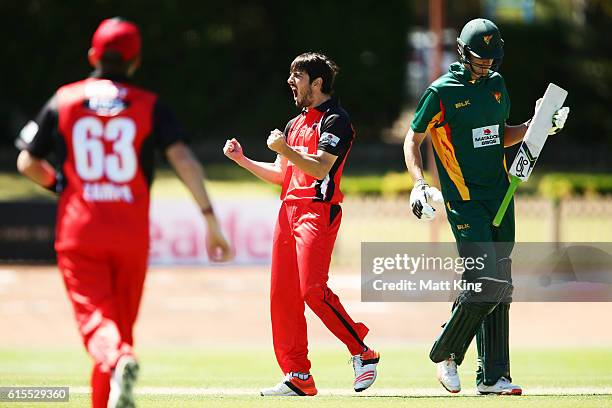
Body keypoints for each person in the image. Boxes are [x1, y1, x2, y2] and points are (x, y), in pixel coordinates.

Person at [16, 18, 232, 408]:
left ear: (92, 55)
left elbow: (26, 161)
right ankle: (117, 373)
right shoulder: (150, 105)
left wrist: (59, 186)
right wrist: (210, 219)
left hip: (80, 229)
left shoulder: (63, 99)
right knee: (119, 330)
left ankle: (120, 361)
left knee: (99, 327)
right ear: (136, 62)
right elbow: (182, 158)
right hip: (131, 233)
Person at [403, 18, 569, 395]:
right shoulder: (440, 93)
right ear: (463, 52)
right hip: (465, 201)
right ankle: (447, 354)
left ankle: (493, 376)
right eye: (479, 57)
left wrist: (537, 125)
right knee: (485, 283)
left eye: (492, 58)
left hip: (501, 194)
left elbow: (501, 135)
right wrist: (417, 184)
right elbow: (412, 141)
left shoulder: (496, 85)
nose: (486, 64)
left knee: (501, 284)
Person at [223, 52, 380, 396]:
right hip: (288, 212)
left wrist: (285, 149)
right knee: (283, 297)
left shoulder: (336, 120)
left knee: (312, 290)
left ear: (317, 82)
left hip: (317, 212)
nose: (291, 82)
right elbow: (283, 175)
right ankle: (297, 375)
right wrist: (243, 160)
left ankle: (363, 352)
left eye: (298, 76)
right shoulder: (295, 124)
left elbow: (320, 167)